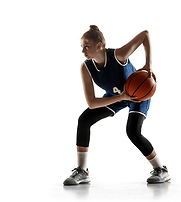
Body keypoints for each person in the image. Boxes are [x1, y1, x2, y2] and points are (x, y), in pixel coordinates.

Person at [63, 25, 170, 185]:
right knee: (84, 120)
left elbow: (144, 35)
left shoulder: (118, 55)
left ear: (99, 46)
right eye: (82, 47)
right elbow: (92, 103)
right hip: (117, 97)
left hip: (138, 96)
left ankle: (161, 170)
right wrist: (121, 97)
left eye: (86, 46)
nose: (83, 51)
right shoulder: (86, 67)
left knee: (133, 132)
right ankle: (82, 171)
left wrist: (148, 65)